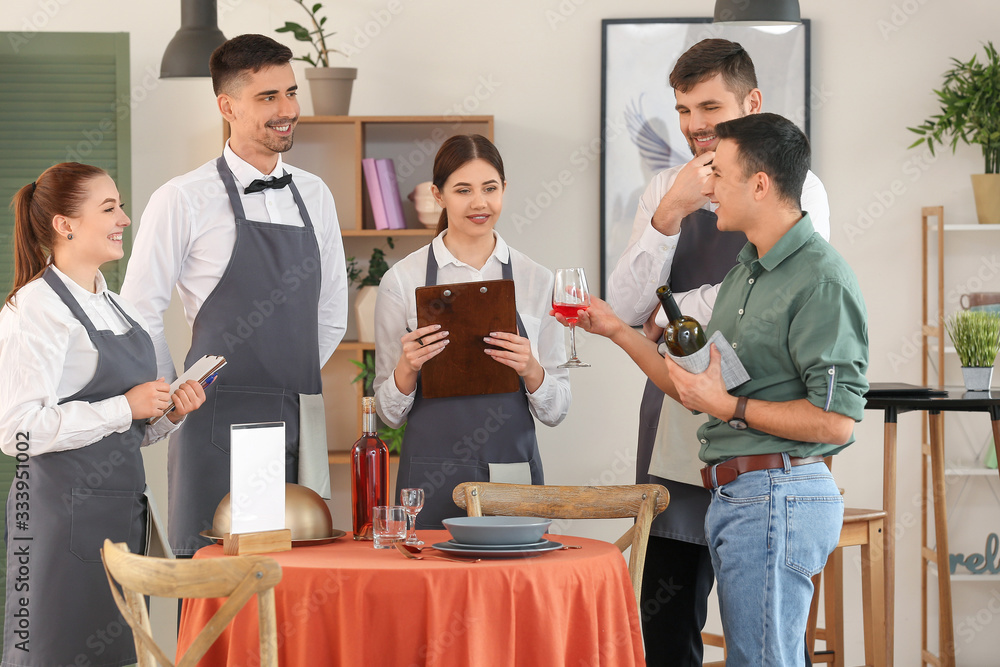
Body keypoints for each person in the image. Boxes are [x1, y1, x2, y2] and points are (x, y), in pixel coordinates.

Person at [563, 113, 868, 665]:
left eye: (719, 175)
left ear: (759, 183)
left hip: (778, 495)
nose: (707, 188)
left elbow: (836, 422)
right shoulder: (746, 274)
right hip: (739, 498)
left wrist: (727, 406)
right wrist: (615, 330)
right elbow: (692, 386)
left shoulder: (820, 279)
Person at [605, 38, 832, 664]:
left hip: (761, 438)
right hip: (675, 431)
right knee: (665, 625)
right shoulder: (663, 189)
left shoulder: (797, 188)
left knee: (764, 635)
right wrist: (671, 211)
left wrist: (677, 309)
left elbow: (772, 301)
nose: (694, 126)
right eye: (682, 110)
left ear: (752, 101)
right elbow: (624, 310)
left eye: (709, 106)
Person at [121, 34, 348, 556]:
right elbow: (140, 310)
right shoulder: (181, 198)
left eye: (291, 92)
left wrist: (285, 375)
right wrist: (172, 398)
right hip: (213, 420)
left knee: (293, 582)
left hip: (296, 418)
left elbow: (333, 310)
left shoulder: (316, 194)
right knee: (211, 579)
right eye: (268, 97)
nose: (288, 109)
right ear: (227, 106)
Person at [0, 163, 206, 666]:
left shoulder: (120, 308)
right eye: (109, 207)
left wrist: (166, 414)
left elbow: (127, 432)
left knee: (116, 656)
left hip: (121, 519)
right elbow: (17, 431)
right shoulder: (34, 309)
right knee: (52, 653)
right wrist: (124, 406)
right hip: (58, 522)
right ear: (65, 224)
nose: (126, 218)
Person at [373, 134, 571, 527]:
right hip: (428, 478)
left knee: (507, 584)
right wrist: (407, 369)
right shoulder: (401, 280)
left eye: (490, 189)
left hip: (509, 472)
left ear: (505, 190)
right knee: (432, 584)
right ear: (438, 195)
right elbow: (387, 415)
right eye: (463, 190)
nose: (480, 203)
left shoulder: (537, 280)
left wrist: (530, 368)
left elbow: (557, 410)